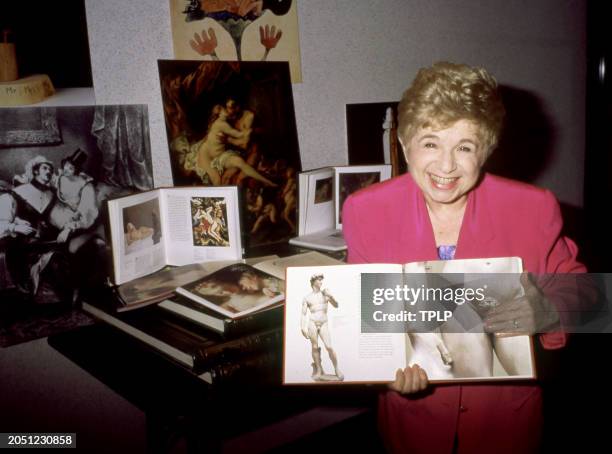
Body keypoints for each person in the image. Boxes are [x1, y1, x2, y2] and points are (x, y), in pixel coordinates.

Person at [342, 62, 585, 453]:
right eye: (431, 142)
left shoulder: (532, 209)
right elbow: (362, 314)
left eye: (465, 147)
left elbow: (591, 298)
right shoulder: (365, 211)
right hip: (411, 423)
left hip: (505, 423)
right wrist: (380, 369)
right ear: (405, 145)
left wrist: (550, 310)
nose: (446, 165)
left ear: (485, 151)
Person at [0, 156, 71, 303]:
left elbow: (63, 219)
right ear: (35, 171)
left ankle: (63, 300)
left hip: (46, 243)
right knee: (53, 263)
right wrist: (16, 226)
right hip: (23, 247)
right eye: (45, 168)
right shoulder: (17, 193)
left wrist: (68, 228)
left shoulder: (52, 195)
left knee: (61, 261)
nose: (49, 172)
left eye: (51, 170)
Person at [300, 273, 344, 381]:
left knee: (329, 347)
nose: (321, 282)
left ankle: (337, 369)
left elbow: (336, 305)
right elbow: (303, 313)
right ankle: (319, 369)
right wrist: (302, 326)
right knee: (314, 347)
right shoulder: (307, 297)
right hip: (312, 322)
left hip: (323, 322)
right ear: (313, 281)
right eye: (319, 280)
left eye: (321, 280)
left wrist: (331, 295)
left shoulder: (325, 293)